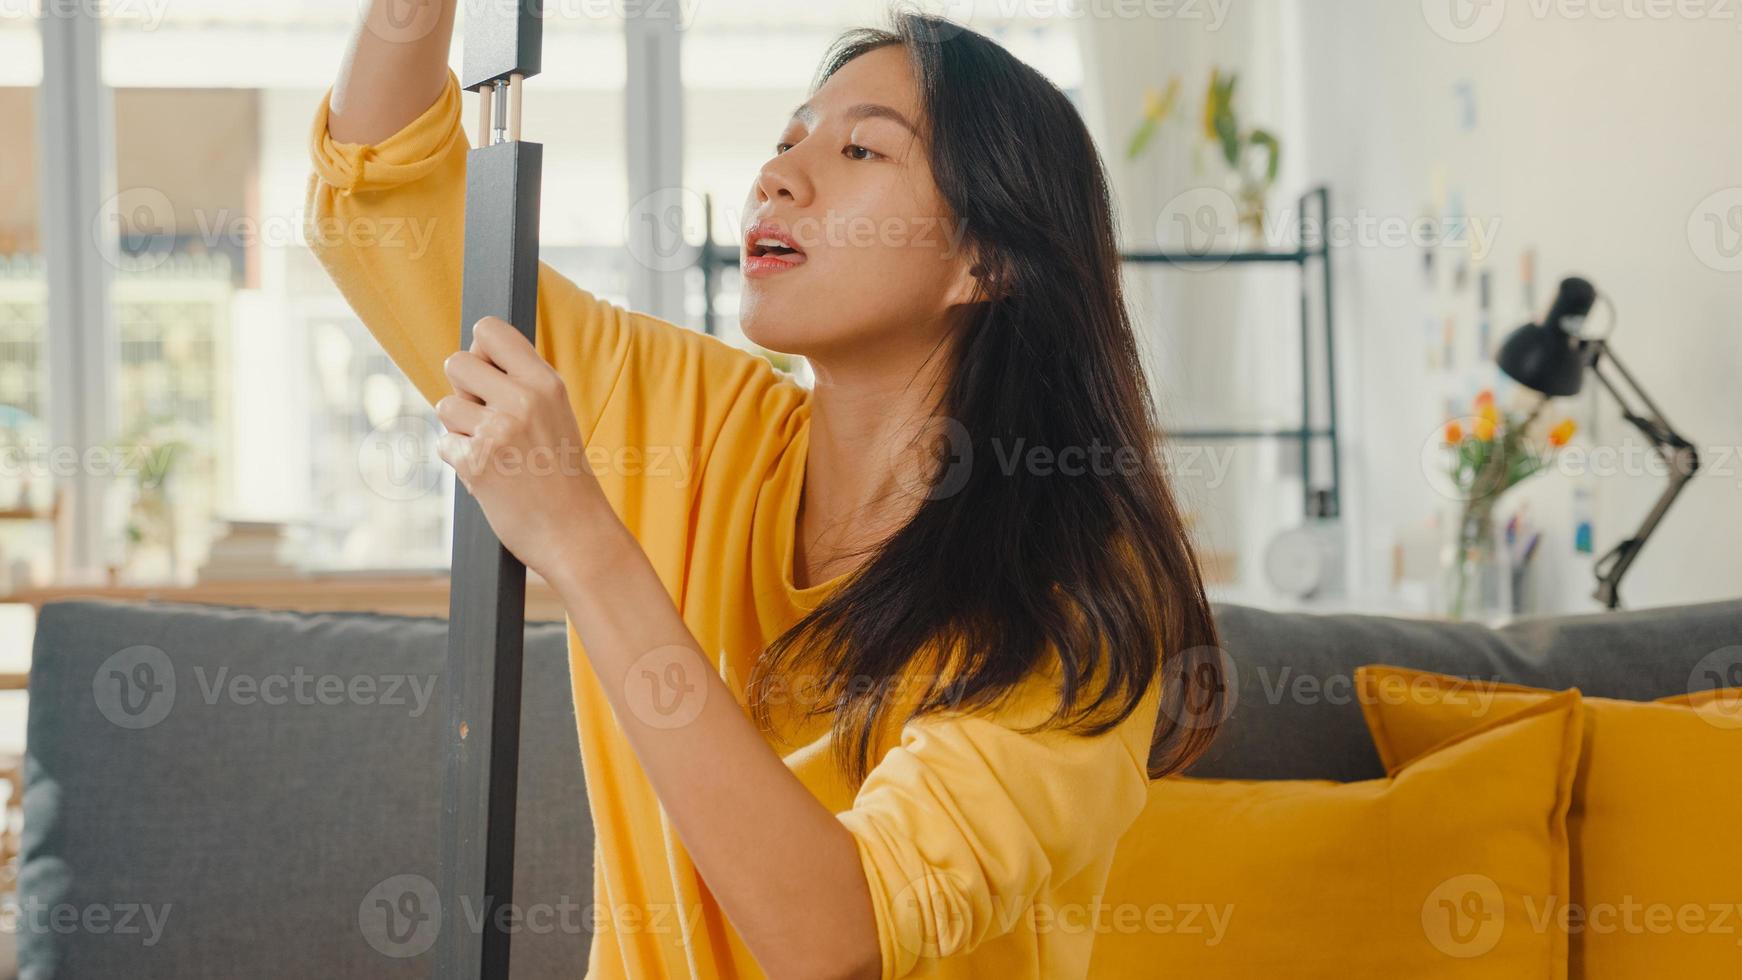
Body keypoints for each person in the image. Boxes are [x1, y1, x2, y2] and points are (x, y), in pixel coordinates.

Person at [308, 5, 1224, 977]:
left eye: (862, 150)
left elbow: (833, 933)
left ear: (984, 259)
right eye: (786, 137)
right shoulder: (688, 422)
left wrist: (579, 540)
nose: (777, 175)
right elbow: (383, 184)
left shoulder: (1067, 601)